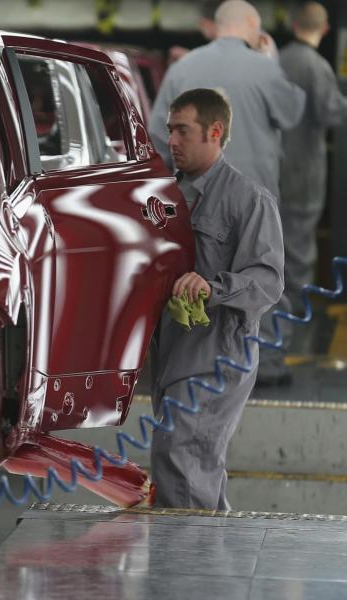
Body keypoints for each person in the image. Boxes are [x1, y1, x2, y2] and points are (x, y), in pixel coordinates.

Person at [149, 88, 284, 510]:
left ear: (214, 131)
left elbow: (267, 280)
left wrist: (214, 287)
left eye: (182, 131)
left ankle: (187, 573)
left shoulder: (249, 199)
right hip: (173, 355)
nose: (171, 140)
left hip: (217, 354)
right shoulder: (165, 197)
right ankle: (209, 567)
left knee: (182, 457)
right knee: (192, 465)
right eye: (170, 129)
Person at [148, 0, 305, 201]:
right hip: (253, 199)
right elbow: (291, 114)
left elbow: (159, 139)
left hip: (195, 196)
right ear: (251, 22)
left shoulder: (180, 69)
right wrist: (271, 60)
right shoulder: (265, 69)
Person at [278, 3, 347, 309]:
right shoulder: (317, 66)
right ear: (326, 29)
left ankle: (273, 310)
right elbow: (332, 113)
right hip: (304, 172)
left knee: (274, 242)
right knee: (300, 246)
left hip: (274, 168)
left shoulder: (276, 61)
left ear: (293, 25)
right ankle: (296, 315)